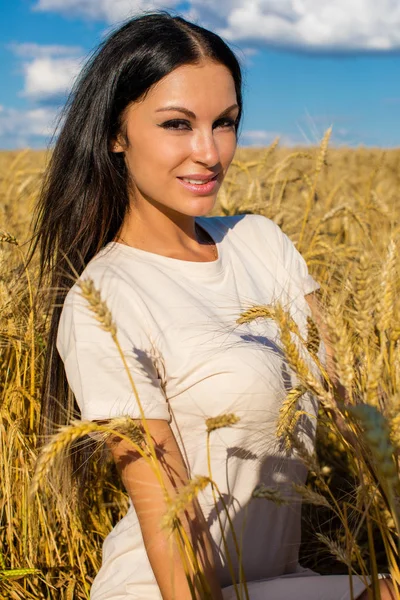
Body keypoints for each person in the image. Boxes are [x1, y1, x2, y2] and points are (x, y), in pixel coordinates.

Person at [30, 11, 393, 600]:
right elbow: (170, 519)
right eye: (177, 124)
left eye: (224, 123)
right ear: (116, 134)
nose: (209, 152)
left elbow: (349, 403)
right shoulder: (105, 299)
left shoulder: (261, 242)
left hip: (278, 581)